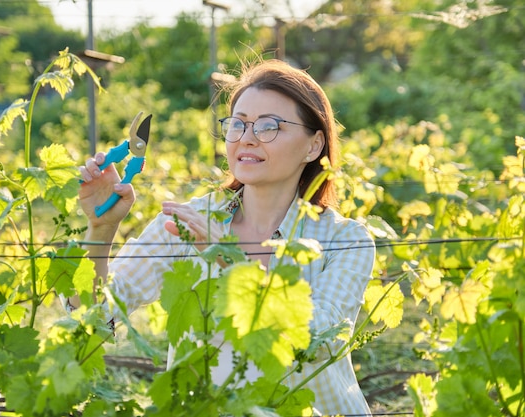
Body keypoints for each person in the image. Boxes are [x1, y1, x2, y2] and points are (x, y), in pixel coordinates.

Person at [76, 59, 376, 416]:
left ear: (313, 146)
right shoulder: (185, 223)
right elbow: (92, 316)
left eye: (269, 126)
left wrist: (231, 258)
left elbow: (317, 340)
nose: (247, 138)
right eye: (238, 124)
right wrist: (101, 230)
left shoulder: (346, 240)